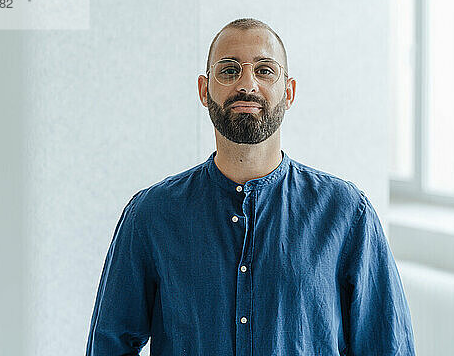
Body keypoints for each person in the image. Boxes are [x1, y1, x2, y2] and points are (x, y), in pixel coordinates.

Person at [85, 18, 416, 356]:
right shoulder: (151, 214)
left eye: (265, 70)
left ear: (288, 92)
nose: (247, 84)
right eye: (229, 71)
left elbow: (387, 346)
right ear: (204, 90)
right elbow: (108, 346)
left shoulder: (346, 213)